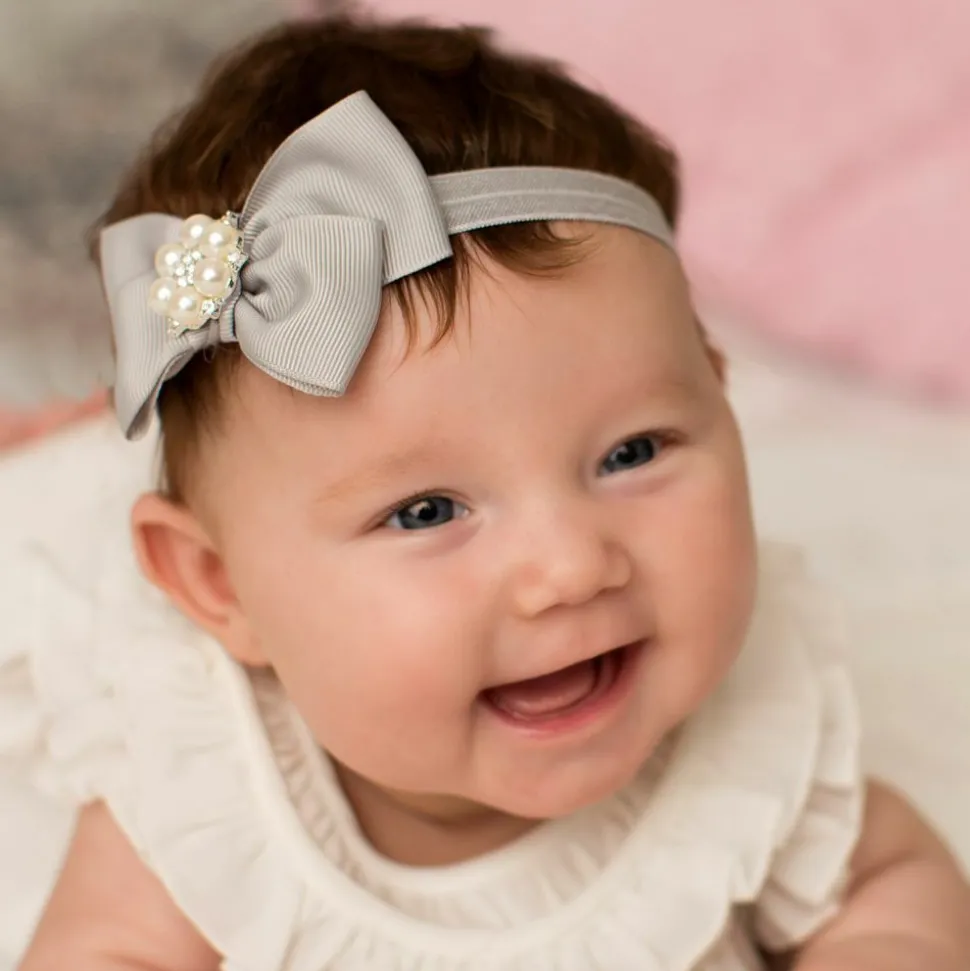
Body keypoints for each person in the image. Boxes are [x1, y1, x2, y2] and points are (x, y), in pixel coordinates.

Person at [14, 12, 970, 971]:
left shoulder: (752, 736)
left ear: (718, 390)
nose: (570, 567)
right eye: (427, 511)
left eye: (633, 450)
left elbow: (889, 882)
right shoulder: (206, 784)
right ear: (222, 587)